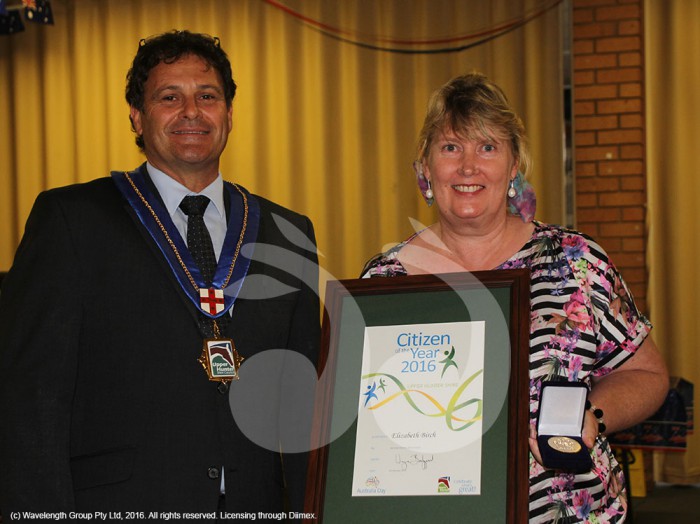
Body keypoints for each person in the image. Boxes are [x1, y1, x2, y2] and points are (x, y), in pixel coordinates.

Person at [0, 30, 319, 517]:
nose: (191, 111)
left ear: (229, 115)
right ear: (138, 116)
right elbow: (29, 401)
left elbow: (304, 407)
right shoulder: (71, 220)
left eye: (207, 96)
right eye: (169, 97)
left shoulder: (287, 233)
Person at [362, 73, 668, 523]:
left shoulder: (575, 261)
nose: (469, 167)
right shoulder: (384, 281)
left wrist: (593, 415)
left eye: (487, 147)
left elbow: (647, 374)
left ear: (513, 167)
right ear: (424, 168)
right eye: (450, 147)